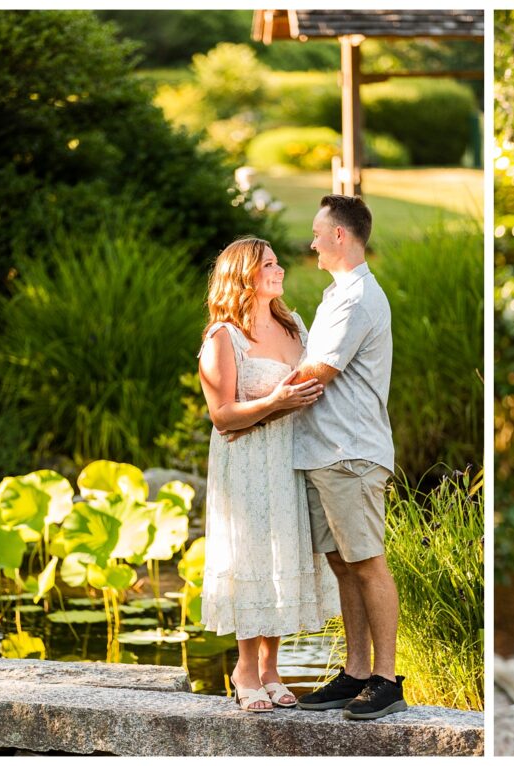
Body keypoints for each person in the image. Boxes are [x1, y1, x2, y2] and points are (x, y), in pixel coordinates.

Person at [198, 237, 328, 712]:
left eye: (277, 262)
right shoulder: (223, 336)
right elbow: (222, 415)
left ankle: (273, 669)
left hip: (290, 457)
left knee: (280, 556)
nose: (279, 269)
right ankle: (245, 669)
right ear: (244, 275)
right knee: (251, 557)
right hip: (247, 461)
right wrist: (274, 402)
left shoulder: (294, 326)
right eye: (268, 264)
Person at [292, 195, 405, 721]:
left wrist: (255, 390)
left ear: (341, 236)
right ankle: (356, 672)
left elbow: (318, 370)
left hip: (350, 453)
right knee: (343, 565)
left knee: (367, 563)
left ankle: (387, 679)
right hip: (324, 452)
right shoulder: (338, 295)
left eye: (318, 233)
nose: (311, 242)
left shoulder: (359, 297)